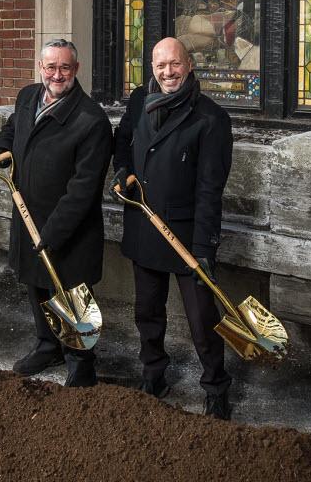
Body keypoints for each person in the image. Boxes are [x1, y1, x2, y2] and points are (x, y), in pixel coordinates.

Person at [112, 36, 234, 418]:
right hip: (144, 222)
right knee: (147, 309)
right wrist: (122, 172)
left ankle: (215, 386)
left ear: (190, 65)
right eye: (161, 65)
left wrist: (204, 249)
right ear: (152, 67)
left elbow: (210, 189)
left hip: (185, 235)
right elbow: (123, 141)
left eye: (175, 64)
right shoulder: (138, 101)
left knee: (202, 320)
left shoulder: (211, 118)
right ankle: (153, 374)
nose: (168, 72)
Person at [0, 38, 113, 387]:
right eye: (50, 67)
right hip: (29, 217)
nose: (56, 75)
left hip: (68, 228)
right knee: (37, 286)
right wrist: (1, 149)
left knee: (72, 293)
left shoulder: (91, 121)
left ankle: (81, 361)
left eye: (64, 68)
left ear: (76, 70)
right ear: (40, 67)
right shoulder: (28, 96)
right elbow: (12, 127)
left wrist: (53, 233)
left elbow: (84, 188)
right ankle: (48, 346)